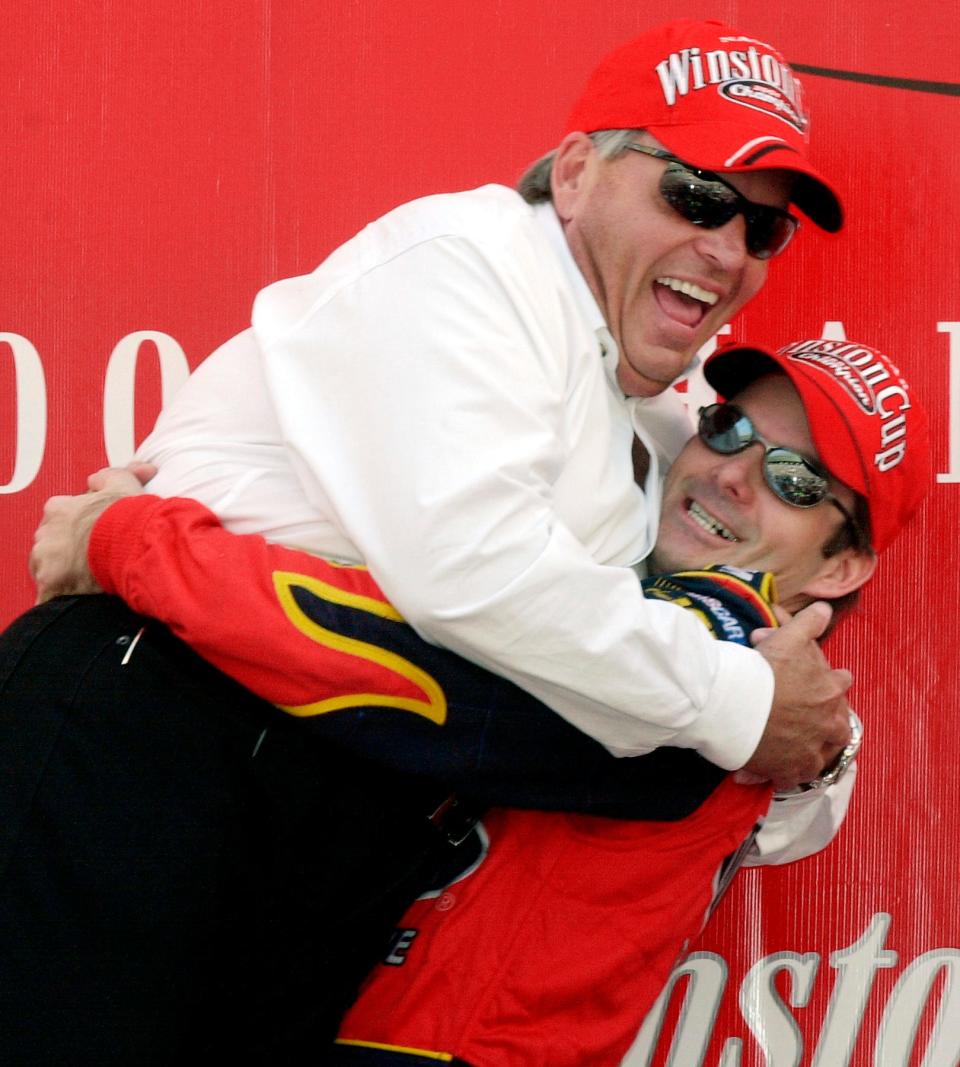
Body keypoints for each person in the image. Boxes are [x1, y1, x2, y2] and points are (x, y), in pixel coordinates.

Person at [10, 16, 852, 1064]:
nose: (726, 250)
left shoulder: (660, 409)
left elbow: (762, 624)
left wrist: (813, 737)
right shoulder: (468, 260)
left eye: (761, 230)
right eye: (696, 197)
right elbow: (476, 574)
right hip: (156, 734)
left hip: (351, 802)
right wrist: (747, 706)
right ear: (581, 173)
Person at [29, 337, 930, 1067]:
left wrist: (132, 538)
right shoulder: (627, 590)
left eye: (798, 482)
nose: (735, 474)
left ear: (843, 563)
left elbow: (390, 669)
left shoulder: (725, 639)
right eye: (729, 429)